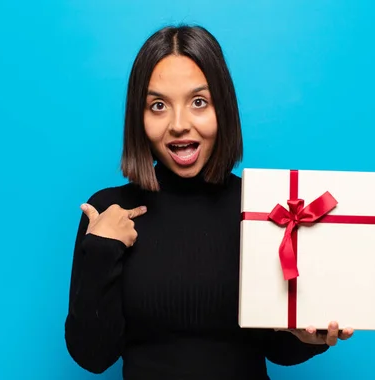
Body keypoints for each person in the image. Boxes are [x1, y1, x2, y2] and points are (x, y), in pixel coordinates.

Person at [64, 24, 353, 380]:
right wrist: (101, 250)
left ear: (223, 107)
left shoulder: (268, 210)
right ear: (138, 118)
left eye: (198, 102)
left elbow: (278, 350)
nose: (179, 125)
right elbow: (93, 356)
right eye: (158, 106)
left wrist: (310, 337)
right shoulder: (111, 212)